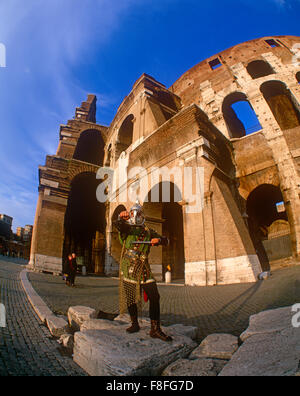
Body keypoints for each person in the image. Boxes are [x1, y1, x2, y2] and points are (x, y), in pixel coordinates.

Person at [114, 201, 172, 342]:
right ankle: (134, 323)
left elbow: (166, 240)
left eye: (139, 213)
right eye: (134, 213)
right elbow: (119, 225)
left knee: (155, 296)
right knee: (131, 297)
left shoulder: (147, 230)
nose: (137, 216)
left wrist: (158, 240)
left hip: (144, 267)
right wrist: (121, 217)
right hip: (129, 266)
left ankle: (155, 329)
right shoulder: (127, 228)